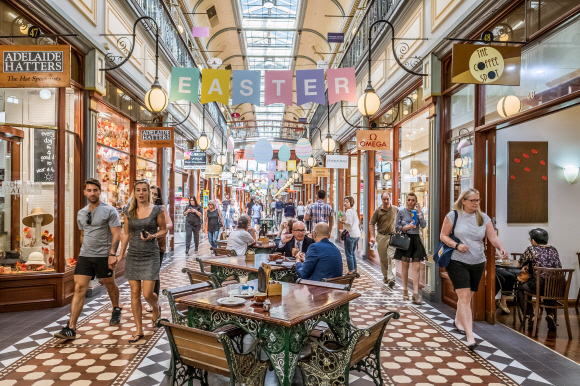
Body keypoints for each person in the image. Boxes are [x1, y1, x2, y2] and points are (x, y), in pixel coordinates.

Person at [440, 188, 508, 351]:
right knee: (464, 298)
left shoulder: (483, 218)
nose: (476, 203)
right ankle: (470, 336)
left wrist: (501, 248)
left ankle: (458, 320)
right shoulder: (453, 215)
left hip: (477, 262)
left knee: (467, 297)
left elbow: (492, 236)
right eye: (473, 200)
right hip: (457, 261)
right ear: (463, 201)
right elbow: (443, 235)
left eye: (478, 200)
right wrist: (456, 245)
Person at [54, 179, 122, 340]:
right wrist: (81, 252)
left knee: (109, 284)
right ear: (85, 192)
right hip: (85, 256)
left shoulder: (109, 211)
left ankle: (116, 308)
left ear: (100, 192)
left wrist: (112, 254)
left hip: (103, 256)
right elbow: (83, 234)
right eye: (89, 190)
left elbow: (117, 233)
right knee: (79, 288)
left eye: (95, 190)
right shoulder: (81, 213)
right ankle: (71, 327)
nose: (92, 193)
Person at [118, 180, 167, 343]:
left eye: (144, 190)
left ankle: (155, 306)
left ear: (148, 192)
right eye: (138, 190)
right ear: (134, 192)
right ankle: (139, 329)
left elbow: (164, 229)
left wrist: (153, 236)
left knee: (147, 294)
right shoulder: (128, 210)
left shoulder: (157, 210)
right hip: (134, 253)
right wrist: (120, 254)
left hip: (151, 254)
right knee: (134, 293)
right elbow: (125, 234)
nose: (141, 193)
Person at [517, 228, 562, 331]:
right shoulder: (553, 249)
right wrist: (531, 266)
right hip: (558, 285)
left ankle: (531, 316)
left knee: (521, 288)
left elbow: (520, 263)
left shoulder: (531, 249)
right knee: (548, 288)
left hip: (540, 284)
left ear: (533, 240)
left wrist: (527, 265)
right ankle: (550, 315)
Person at [393, 193, 427, 304]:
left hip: (416, 240)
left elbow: (423, 225)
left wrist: (419, 212)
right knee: (405, 265)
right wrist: (407, 227)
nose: (410, 202)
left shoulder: (418, 212)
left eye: (413, 200)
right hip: (405, 239)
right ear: (406, 201)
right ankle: (405, 290)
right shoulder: (401, 212)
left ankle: (416, 293)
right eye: (409, 200)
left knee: (416, 267)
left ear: (416, 201)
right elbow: (396, 227)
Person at [146, 185, 173, 313]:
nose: (152, 196)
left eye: (155, 194)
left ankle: (154, 302)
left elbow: (169, 224)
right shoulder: (142, 207)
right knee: (146, 274)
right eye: (150, 193)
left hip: (157, 243)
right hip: (144, 245)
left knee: (154, 273)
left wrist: (158, 229)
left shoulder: (161, 208)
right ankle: (149, 299)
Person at [369, 193, 399, 287]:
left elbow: (401, 220)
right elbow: (371, 223)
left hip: (392, 237)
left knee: (391, 258)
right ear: (381, 200)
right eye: (384, 199)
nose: (386, 201)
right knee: (383, 259)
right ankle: (386, 277)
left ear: (390, 199)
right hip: (381, 237)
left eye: (387, 199)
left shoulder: (395, 209)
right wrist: (372, 236)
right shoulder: (378, 211)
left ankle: (391, 278)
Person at [340, 196, 361, 274]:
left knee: (348, 253)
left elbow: (348, 222)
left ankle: (351, 271)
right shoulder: (354, 211)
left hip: (351, 234)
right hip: (357, 234)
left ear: (351, 203)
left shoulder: (348, 211)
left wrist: (341, 219)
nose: (345, 203)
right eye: (344, 201)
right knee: (352, 253)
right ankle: (354, 269)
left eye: (347, 202)